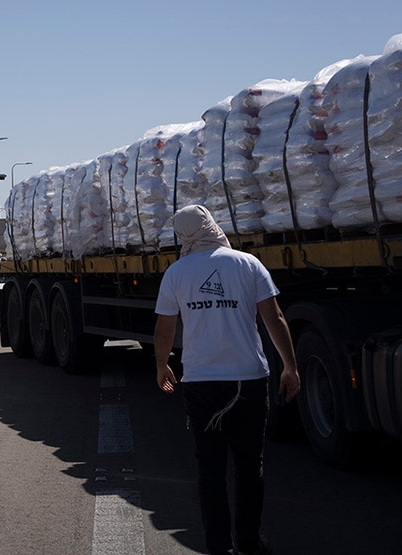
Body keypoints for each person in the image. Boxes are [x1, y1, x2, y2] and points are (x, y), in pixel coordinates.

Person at [153, 204, 300, 555]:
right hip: (249, 379)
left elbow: (164, 329)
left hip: (201, 383)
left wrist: (161, 365)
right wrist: (290, 366)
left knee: (210, 471)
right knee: (250, 466)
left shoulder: (177, 272)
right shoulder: (248, 264)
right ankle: (249, 542)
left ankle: (219, 546)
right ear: (212, 225)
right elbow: (274, 317)